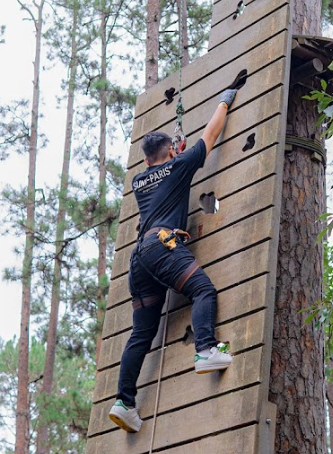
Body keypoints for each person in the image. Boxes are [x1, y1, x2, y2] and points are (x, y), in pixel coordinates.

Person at [108, 88, 238, 433]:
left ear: (146, 159)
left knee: (141, 332)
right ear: (170, 151)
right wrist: (224, 99)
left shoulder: (139, 180)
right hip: (162, 246)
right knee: (203, 291)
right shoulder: (179, 166)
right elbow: (211, 135)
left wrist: (171, 155)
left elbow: (162, 172)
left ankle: (124, 402)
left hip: (139, 261)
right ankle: (207, 350)